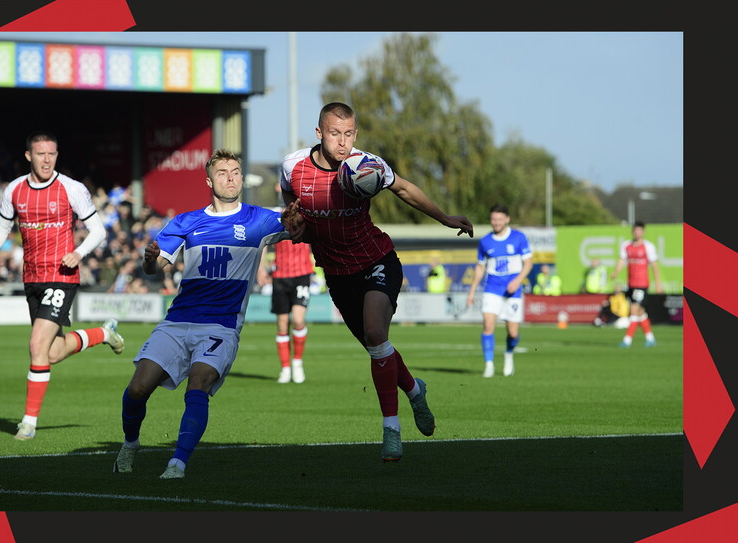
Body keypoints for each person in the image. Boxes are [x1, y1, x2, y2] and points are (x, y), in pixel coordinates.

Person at [279, 102, 474, 462]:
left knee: (374, 333)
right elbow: (290, 203)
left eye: (349, 133)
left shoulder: (365, 166)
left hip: (377, 260)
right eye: (335, 134)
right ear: (319, 134)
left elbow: (403, 189)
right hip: (337, 275)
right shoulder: (293, 166)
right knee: (377, 346)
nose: (343, 142)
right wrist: (294, 222)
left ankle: (391, 431)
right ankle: (415, 391)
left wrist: (445, 218)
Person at [113, 149, 296, 479]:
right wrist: (148, 259)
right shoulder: (185, 221)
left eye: (236, 171)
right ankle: (130, 443)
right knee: (138, 388)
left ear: (242, 178)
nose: (230, 177)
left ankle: (177, 463)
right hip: (177, 321)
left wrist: (301, 218)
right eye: (223, 172)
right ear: (209, 180)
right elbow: (156, 268)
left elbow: (298, 227)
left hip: (221, 325)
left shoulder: (260, 219)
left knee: (198, 384)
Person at [0, 131, 125, 441]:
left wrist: (78, 252)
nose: (47, 159)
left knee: (35, 346)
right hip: (32, 279)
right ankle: (104, 334)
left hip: (62, 275)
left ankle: (28, 423)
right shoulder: (14, 189)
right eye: (41, 154)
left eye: (52, 154)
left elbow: (98, 230)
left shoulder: (71, 188)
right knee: (52, 351)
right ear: (28, 155)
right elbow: (2, 228)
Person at [466, 204, 533, 378]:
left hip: (513, 291)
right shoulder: (485, 241)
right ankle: (489, 365)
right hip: (492, 289)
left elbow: (529, 263)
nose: (496, 223)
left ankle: (509, 354)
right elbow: (480, 267)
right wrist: (472, 291)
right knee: (488, 325)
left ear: (507, 219)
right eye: (493, 219)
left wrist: (517, 281)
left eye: (499, 219)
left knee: (513, 333)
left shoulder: (519, 238)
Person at [257, 235, 314, 384]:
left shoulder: (306, 216)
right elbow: (263, 240)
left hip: (302, 274)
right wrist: (260, 267)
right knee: (282, 324)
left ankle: (297, 363)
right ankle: (285, 368)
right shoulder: (277, 217)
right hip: (280, 276)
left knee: (298, 320)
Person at [610, 221, 663, 347]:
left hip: (642, 284)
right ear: (632, 231)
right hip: (631, 284)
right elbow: (622, 260)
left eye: (639, 230)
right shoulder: (626, 245)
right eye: (635, 230)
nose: (637, 233)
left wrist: (658, 283)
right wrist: (616, 272)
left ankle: (627, 340)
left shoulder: (648, 247)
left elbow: (654, 265)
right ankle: (650, 339)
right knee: (640, 312)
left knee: (633, 310)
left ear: (643, 232)